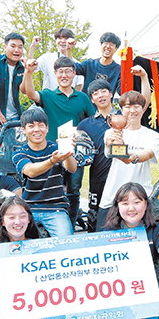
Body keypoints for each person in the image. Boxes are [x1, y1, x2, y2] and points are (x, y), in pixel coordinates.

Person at [85, 182, 159, 319]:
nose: (131, 208)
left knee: (146, 317)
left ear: (146, 204)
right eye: (125, 203)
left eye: (137, 202)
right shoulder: (109, 231)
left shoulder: (155, 229)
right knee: (84, 316)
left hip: (144, 297)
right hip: (114, 298)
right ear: (117, 206)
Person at [22, 56, 95, 226]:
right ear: (55, 74)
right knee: (52, 190)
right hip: (50, 152)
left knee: (73, 191)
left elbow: (90, 121)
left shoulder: (82, 98)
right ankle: (46, 225)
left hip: (74, 151)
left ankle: (69, 224)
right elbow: (30, 93)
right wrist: (29, 73)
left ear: (74, 74)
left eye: (68, 71)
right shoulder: (48, 95)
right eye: (60, 72)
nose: (64, 75)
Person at [77, 68, 151, 231]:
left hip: (125, 178)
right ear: (92, 99)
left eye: (104, 91)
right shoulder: (85, 125)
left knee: (129, 222)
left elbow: (143, 102)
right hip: (99, 180)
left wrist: (144, 77)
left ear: (111, 94)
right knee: (99, 224)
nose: (101, 95)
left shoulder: (125, 117)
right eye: (96, 93)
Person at [97, 90, 159, 230]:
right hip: (113, 195)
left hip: (140, 197)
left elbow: (148, 154)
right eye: (127, 106)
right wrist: (112, 144)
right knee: (106, 239)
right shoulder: (111, 132)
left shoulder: (153, 136)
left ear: (143, 109)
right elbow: (112, 153)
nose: (132, 110)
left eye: (136, 106)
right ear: (121, 109)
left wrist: (131, 157)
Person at [12, 107, 77, 237]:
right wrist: (52, 161)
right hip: (28, 209)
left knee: (67, 243)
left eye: (41, 125)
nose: (37, 130)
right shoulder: (19, 152)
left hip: (56, 208)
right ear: (24, 130)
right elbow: (30, 171)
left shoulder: (56, 148)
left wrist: (68, 152)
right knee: (16, 242)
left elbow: (72, 168)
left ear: (47, 128)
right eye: (31, 126)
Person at [0, 32, 27, 123]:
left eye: (20, 47)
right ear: (5, 47)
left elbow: (24, 90)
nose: (17, 50)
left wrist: (27, 71)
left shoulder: (21, 67)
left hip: (15, 116)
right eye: (13, 46)